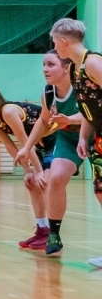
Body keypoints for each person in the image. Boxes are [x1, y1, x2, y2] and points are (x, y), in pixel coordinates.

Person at [14, 49, 81, 256]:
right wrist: (27, 147)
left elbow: (93, 114)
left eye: (51, 64)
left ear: (66, 68)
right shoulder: (49, 92)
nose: (45, 69)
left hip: (94, 136)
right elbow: (43, 121)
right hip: (68, 139)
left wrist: (69, 119)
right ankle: (54, 235)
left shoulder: (82, 86)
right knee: (56, 178)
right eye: (44, 64)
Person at [49, 18, 102, 268]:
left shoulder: (93, 63)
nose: (54, 47)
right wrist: (82, 136)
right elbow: (90, 109)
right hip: (97, 136)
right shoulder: (75, 69)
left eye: (54, 42)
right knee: (100, 191)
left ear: (63, 41)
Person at [0, 82, 48, 237]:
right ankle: (42, 229)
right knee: (32, 183)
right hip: (37, 143)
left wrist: (38, 170)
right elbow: (8, 144)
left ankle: (52, 232)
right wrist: (28, 170)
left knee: (46, 181)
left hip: (53, 136)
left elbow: (24, 142)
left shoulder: (8, 112)